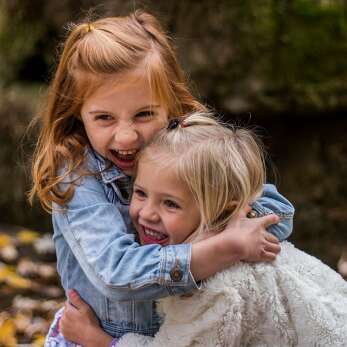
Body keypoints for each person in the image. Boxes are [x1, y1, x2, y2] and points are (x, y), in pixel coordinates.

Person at [28, 10, 294, 346]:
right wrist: (221, 247)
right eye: (104, 118)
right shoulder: (77, 177)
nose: (126, 138)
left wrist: (219, 229)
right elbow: (119, 274)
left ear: (169, 105)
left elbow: (277, 213)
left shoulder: (186, 150)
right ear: (77, 113)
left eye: (144, 114)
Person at [60, 113, 347, 347]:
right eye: (140, 193)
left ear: (222, 211)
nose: (146, 213)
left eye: (170, 204)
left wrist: (97, 340)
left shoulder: (217, 286)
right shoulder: (237, 236)